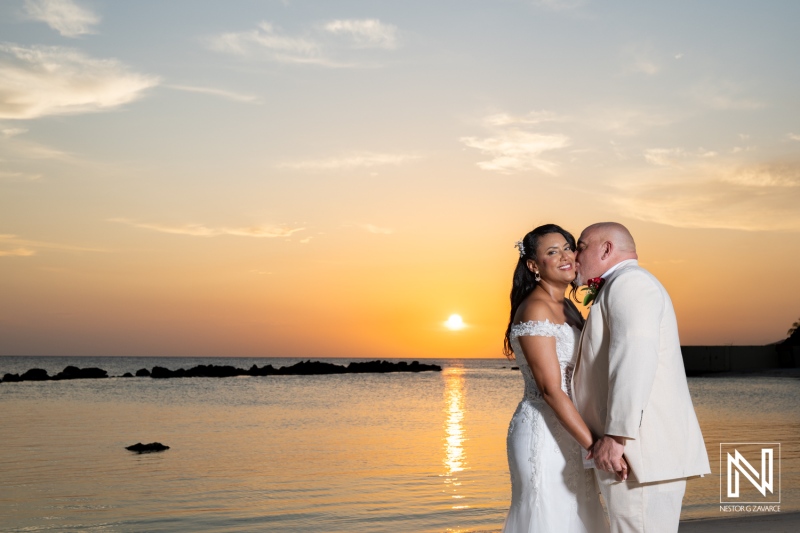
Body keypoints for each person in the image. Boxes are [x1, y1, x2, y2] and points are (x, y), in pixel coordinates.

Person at [572, 222, 711, 533]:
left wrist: (616, 436)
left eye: (581, 246)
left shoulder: (631, 284)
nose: (574, 255)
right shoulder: (623, 285)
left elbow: (634, 359)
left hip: (638, 453)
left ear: (606, 249)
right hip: (638, 455)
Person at [502, 224, 611, 533]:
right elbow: (550, 389)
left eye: (568, 247)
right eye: (553, 252)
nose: (566, 256)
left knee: (579, 516)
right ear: (534, 266)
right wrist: (595, 445)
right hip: (544, 432)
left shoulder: (567, 307)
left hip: (572, 426)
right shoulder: (535, 308)